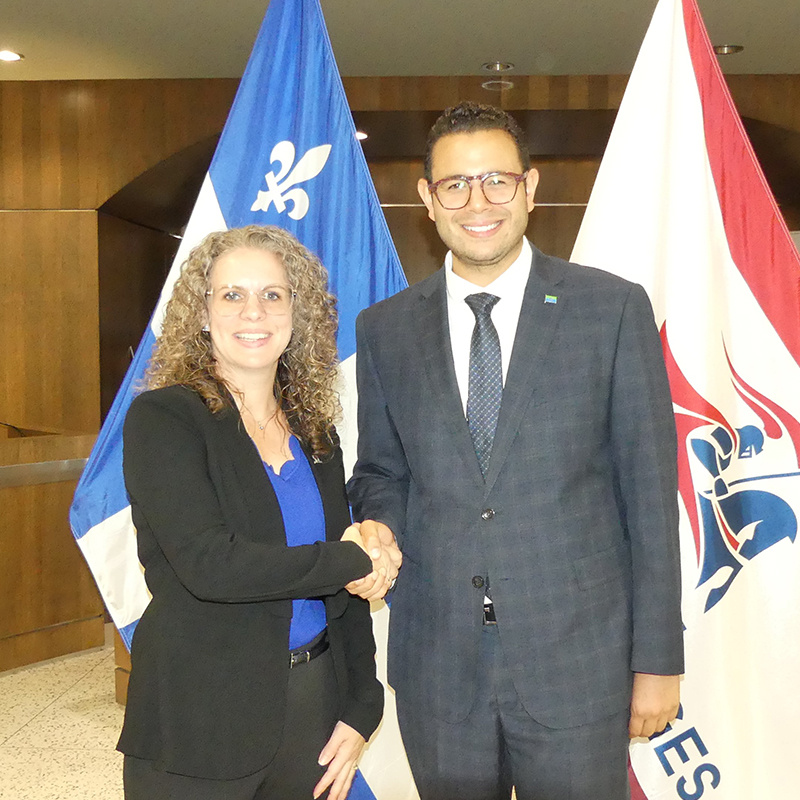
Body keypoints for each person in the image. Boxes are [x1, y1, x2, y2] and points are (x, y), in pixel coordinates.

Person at [347, 102, 684, 799]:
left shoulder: (611, 310)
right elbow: (382, 470)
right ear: (428, 200)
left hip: (578, 664)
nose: (480, 202)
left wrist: (658, 660)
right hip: (439, 665)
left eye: (498, 180)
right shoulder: (385, 329)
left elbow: (649, 496)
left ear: (530, 187)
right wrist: (379, 522)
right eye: (456, 185)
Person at [118, 225, 400, 800]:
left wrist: (361, 704)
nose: (254, 311)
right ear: (202, 312)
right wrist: (350, 557)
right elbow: (211, 565)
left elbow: (339, 593)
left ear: (298, 315)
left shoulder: (316, 433)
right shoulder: (164, 420)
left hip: (315, 708)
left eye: (273, 295)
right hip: (200, 716)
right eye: (231, 294)